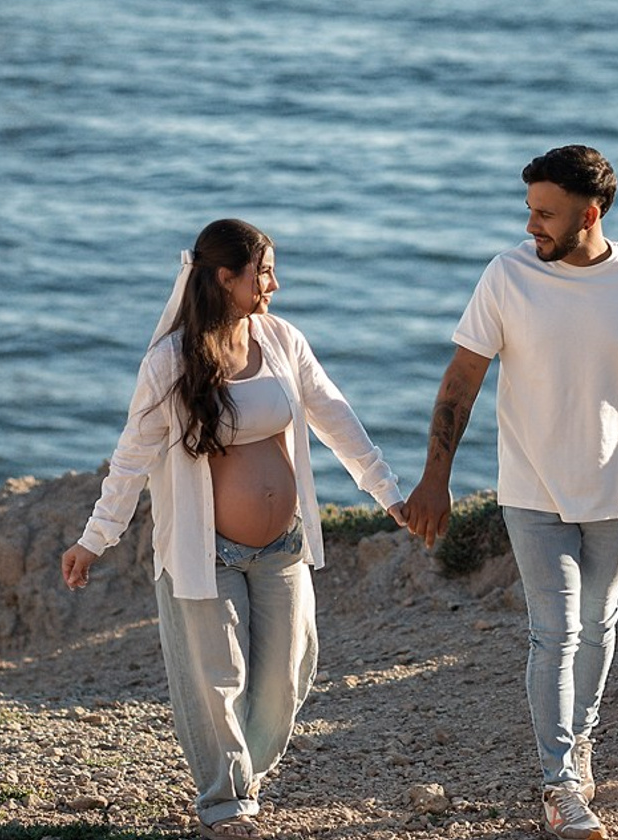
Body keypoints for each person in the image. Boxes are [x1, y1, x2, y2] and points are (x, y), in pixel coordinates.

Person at [394, 148, 618, 839]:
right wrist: (436, 476)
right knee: (556, 631)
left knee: (600, 626)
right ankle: (558, 785)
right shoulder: (508, 276)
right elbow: (462, 378)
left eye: (544, 215)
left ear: (591, 212)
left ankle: (579, 746)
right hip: (532, 488)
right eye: (528, 212)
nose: (531, 228)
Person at [61, 218, 407, 827]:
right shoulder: (170, 362)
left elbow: (334, 416)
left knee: (287, 677)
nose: (274, 283)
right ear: (226, 278)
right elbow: (131, 460)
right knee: (218, 683)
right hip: (207, 551)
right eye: (263, 272)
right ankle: (226, 805)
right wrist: (95, 540)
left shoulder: (281, 340)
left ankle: (241, 775)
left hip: (283, 545)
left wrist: (387, 492)